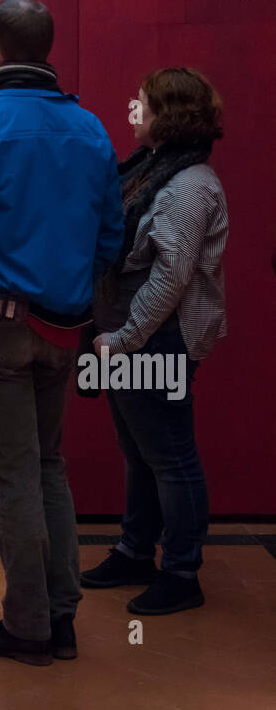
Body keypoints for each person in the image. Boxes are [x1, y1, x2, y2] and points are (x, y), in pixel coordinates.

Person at [0, 0, 125, 666]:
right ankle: (60, 616)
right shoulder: (91, 128)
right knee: (47, 467)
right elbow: (109, 235)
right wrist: (77, 295)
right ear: (44, 49)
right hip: (62, 328)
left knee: (14, 475)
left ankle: (28, 625)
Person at [82, 68, 227, 615]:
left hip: (153, 339)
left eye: (140, 101)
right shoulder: (152, 169)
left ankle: (182, 572)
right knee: (139, 452)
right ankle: (136, 551)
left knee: (170, 458)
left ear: (167, 115)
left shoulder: (190, 186)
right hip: (127, 336)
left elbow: (170, 278)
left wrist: (121, 340)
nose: (131, 107)